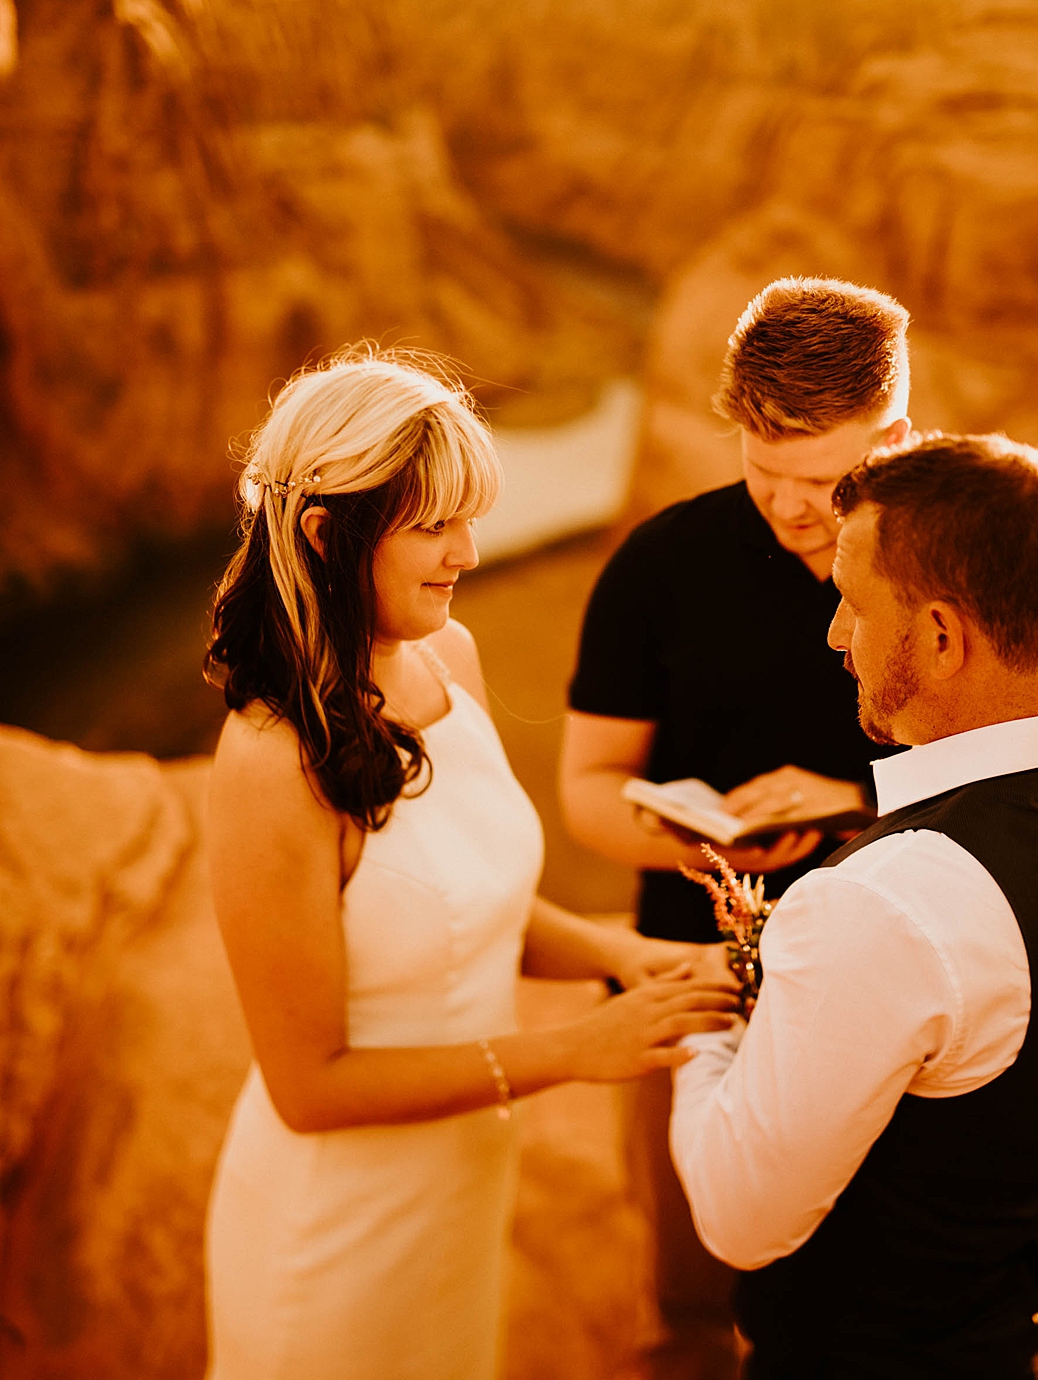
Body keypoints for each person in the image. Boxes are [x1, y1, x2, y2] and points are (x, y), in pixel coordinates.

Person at [202, 350, 736, 1380]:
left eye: (471, 518)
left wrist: (623, 952)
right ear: (326, 535)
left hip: (458, 1190)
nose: (470, 553)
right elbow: (308, 1087)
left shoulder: (450, 659)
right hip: (335, 1233)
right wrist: (579, 1049)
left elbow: (465, 896)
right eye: (435, 526)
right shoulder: (270, 764)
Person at [670, 433, 1038, 1379]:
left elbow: (739, 1217)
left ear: (943, 637)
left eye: (853, 604)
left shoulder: (881, 905)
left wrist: (710, 1023)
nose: (833, 634)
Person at [558, 277, 912, 1375]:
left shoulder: (979, 563)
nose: (791, 507)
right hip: (692, 983)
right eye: (764, 473)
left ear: (897, 434)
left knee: (885, 1302)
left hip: (900, 1003)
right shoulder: (661, 567)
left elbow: (1025, 790)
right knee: (692, 1311)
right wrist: (699, 844)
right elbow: (587, 786)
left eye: (823, 479)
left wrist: (853, 804)